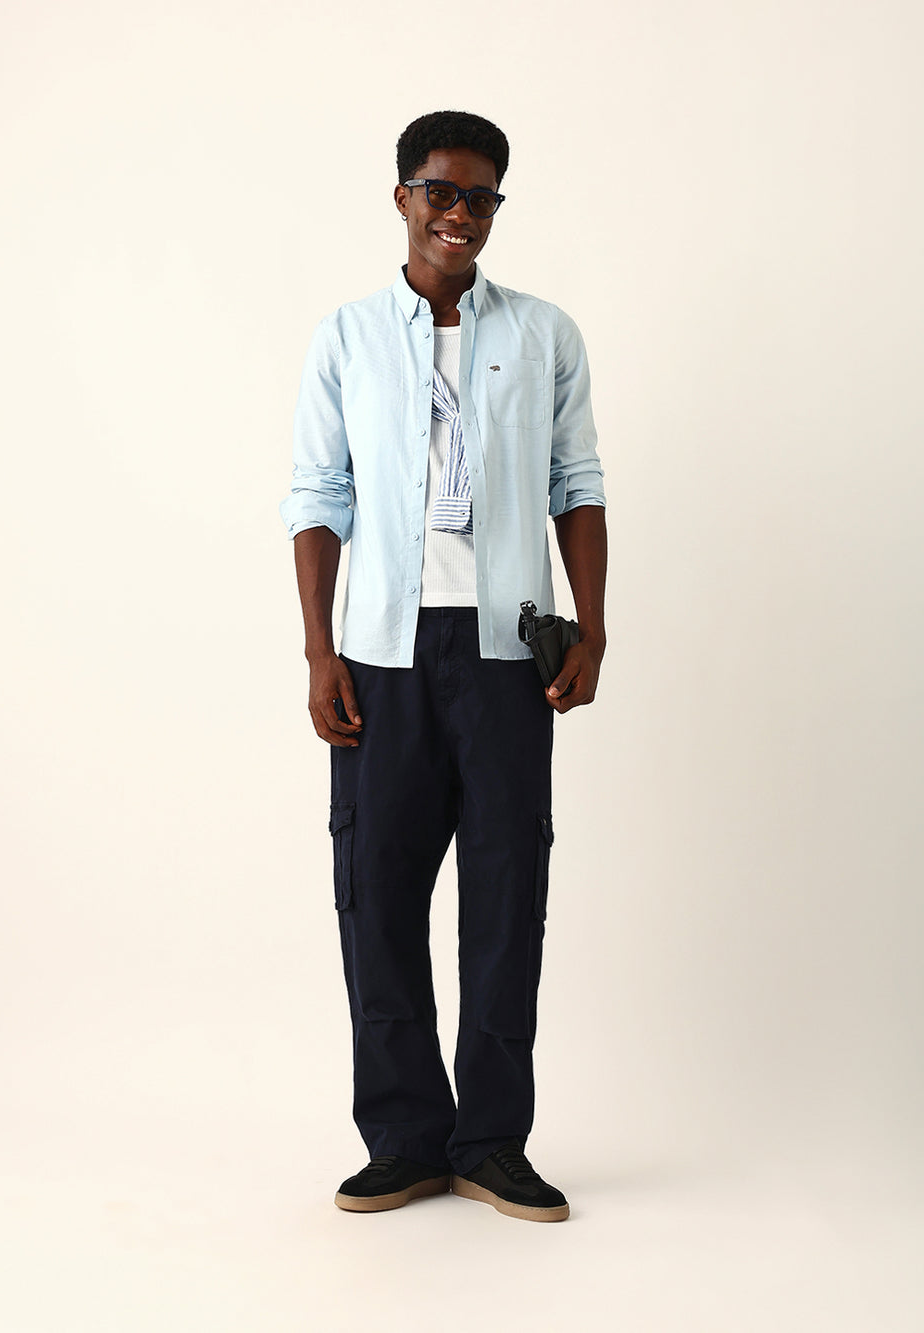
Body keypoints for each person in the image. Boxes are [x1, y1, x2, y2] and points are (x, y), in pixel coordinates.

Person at [280, 109, 607, 1223]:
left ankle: (492, 1141)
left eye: (481, 198)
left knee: (508, 892)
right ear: (403, 198)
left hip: (509, 652)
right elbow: (318, 495)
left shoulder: (546, 332)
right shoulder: (346, 337)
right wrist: (319, 649)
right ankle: (405, 1138)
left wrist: (593, 626)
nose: (460, 214)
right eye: (441, 192)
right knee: (377, 893)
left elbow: (577, 482)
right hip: (383, 649)